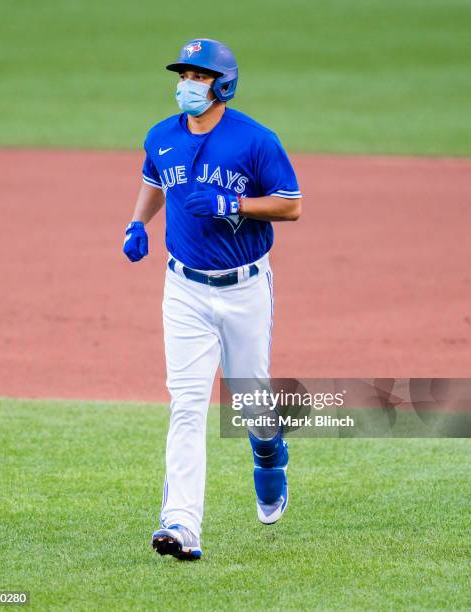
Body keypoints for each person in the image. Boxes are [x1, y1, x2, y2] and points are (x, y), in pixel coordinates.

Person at [123, 38, 302, 560]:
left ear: (223, 85)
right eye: (184, 74)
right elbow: (155, 179)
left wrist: (236, 203)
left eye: (199, 77)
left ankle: (269, 454)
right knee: (187, 403)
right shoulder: (161, 136)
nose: (187, 85)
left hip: (245, 287)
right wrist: (137, 222)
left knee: (250, 404)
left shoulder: (256, 141)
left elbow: (291, 207)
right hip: (183, 289)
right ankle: (180, 525)